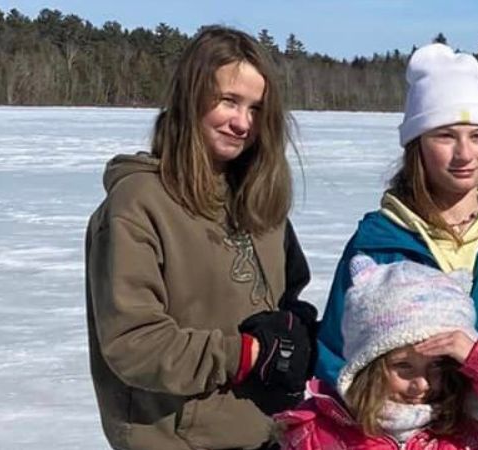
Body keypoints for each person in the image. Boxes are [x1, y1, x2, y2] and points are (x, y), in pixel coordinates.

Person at [85, 26, 318, 449]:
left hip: (266, 433)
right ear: (191, 97)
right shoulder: (139, 204)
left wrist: (298, 335)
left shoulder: (257, 197)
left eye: (256, 108)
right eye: (229, 101)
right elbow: (132, 342)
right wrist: (244, 354)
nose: (242, 122)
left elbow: (289, 299)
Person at [314, 43, 478, 383]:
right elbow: (336, 359)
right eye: (445, 136)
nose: (464, 154)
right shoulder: (377, 244)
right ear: (417, 145)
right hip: (404, 433)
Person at [277, 256, 478, 450]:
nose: (421, 384)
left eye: (436, 367)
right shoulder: (319, 433)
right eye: (403, 367)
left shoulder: (475, 428)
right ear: (368, 366)